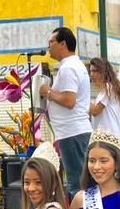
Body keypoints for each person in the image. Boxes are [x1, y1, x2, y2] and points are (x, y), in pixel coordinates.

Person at [39, 26, 92, 199]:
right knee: (80, 181)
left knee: (77, 183)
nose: (48, 46)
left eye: (51, 42)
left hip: (73, 133)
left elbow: (69, 101)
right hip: (72, 132)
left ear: (63, 44)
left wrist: (47, 92)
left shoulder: (68, 68)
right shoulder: (72, 65)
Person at [88, 57, 120, 139]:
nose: (91, 74)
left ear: (103, 72)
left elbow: (95, 111)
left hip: (109, 138)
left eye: (94, 71)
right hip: (104, 138)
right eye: (90, 71)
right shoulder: (103, 91)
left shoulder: (108, 87)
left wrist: (82, 97)